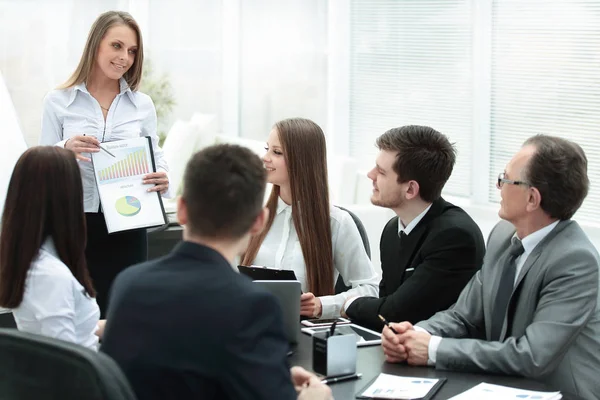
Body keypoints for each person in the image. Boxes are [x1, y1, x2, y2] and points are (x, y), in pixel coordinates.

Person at [100, 144, 332, 400]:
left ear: (181, 210)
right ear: (259, 221)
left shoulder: (129, 283)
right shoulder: (254, 306)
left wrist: (268, 376)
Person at [382, 135, 600, 399]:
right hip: (499, 384)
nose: (498, 186)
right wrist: (415, 334)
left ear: (532, 198)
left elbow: (532, 357)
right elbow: (463, 315)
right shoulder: (502, 235)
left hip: (558, 393)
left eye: (505, 179)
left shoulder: (575, 261)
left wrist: (432, 349)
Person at [39, 11, 171, 317]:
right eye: (117, 46)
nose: (124, 57)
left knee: (123, 317)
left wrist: (164, 176)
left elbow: (156, 153)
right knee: (73, 314)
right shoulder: (58, 101)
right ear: (96, 44)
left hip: (128, 224)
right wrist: (64, 148)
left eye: (132, 51)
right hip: (74, 222)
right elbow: (41, 162)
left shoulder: (142, 104)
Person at [341, 125, 485, 331]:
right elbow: (385, 303)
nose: (370, 175)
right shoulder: (392, 229)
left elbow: (393, 314)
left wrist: (348, 304)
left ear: (410, 189)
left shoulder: (455, 236)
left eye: (381, 172)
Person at [241, 117, 379, 319]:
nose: (265, 158)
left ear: (302, 161)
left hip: (305, 335)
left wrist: (323, 305)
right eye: (267, 148)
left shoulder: (337, 223)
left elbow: (370, 289)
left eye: (276, 152)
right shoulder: (254, 217)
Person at [0, 146, 103, 350]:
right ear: (65, 199)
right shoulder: (50, 276)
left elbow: (77, 330)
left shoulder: (34, 262)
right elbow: (67, 361)